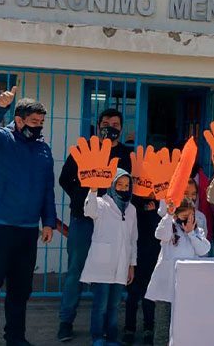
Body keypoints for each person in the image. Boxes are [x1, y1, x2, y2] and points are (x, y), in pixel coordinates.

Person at [0, 87, 56, 346]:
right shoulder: (2, 140)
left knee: (20, 290)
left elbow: (47, 189)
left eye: (41, 123)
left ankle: (16, 337)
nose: (38, 127)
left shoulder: (43, 150)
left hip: (28, 230)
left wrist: (49, 222)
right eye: (33, 122)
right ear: (18, 120)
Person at [57, 109, 132, 342]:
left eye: (116, 123)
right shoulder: (83, 150)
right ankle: (65, 321)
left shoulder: (125, 154)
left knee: (110, 276)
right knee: (75, 272)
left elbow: (130, 185)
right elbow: (64, 179)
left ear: (122, 127)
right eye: (107, 123)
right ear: (98, 125)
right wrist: (81, 197)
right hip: (84, 220)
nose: (111, 127)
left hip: (111, 224)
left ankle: (106, 329)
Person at [80, 168, 138, 346]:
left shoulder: (132, 209)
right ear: (112, 185)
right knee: (101, 304)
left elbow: (133, 239)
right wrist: (93, 189)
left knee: (114, 305)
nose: (123, 188)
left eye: (126, 185)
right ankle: (98, 336)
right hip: (103, 264)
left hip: (122, 264)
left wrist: (131, 265)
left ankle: (112, 337)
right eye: (119, 184)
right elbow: (88, 210)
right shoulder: (101, 203)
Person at [146, 198, 211, 343]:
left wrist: (191, 234)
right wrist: (168, 216)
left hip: (187, 286)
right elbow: (160, 234)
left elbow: (204, 249)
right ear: (176, 216)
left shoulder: (197, 231)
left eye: (191, 216)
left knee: (184, 324)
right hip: (166, 285)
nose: (189, 219)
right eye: (184, 217)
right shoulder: (170, 226)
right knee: (163, 324)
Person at [122, 193, 160, 346]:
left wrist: (152, 212)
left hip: (152, 255)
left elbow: (160, 231)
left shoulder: (159, 203)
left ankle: (148, 328)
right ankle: (129, 329)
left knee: (148, 295)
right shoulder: (132, 204)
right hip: (133, 254)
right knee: (132, 295)